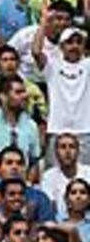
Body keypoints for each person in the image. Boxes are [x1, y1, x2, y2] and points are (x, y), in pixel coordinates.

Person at [33, 22, 90, 166]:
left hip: (85, 131)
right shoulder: (52, 65)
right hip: (56, 129)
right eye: (70, 42)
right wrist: (44, 23)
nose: (75, 46)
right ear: (61, 46)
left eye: (79, 42)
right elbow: (36, 52)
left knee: (84, 179)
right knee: (54, 175)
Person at [42, 134, 90, 216]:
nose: (67, 151)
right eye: (63, 147)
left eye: (71, 147)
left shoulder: (88, 172)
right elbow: (50, 206)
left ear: (78, 151)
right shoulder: (48, 176)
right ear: (56, 152)